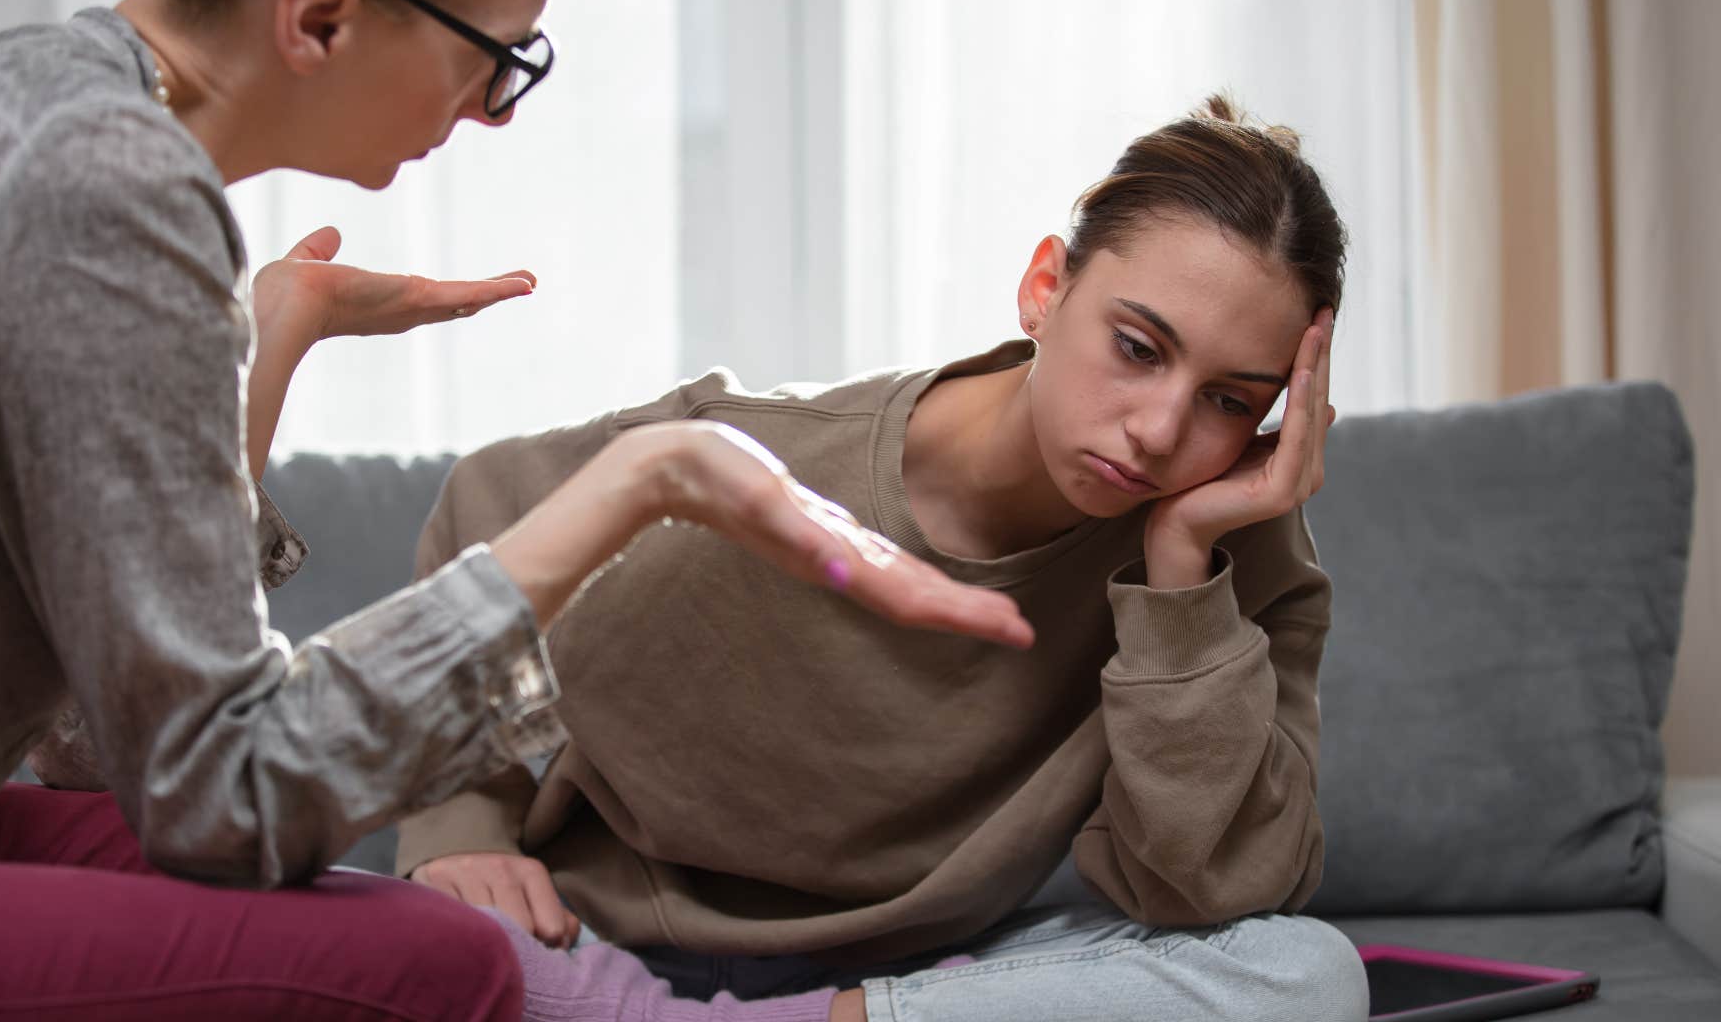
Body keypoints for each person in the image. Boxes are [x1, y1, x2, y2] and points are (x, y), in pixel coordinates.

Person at [0, 0, 1031, 1017]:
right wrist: (639, 484)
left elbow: (103, 739)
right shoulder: (102, 194)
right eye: (498, 54)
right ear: (321, 15)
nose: (497, 109)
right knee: (429, 963)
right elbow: (227, 794)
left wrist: (267, 339)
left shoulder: (6, 111)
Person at [395, 96, 1371, 1022]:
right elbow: (485, 507)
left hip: (906, 984)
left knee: (1307, 976)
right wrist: (459, 824)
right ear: (1046, 288)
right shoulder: (748, 453)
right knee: (343, 933)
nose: (1160, 430)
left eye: (1230, 401)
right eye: (1137, 347)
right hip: (607, 941)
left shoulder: (1223, 545)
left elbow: (1208, 888)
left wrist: (1182, 573)